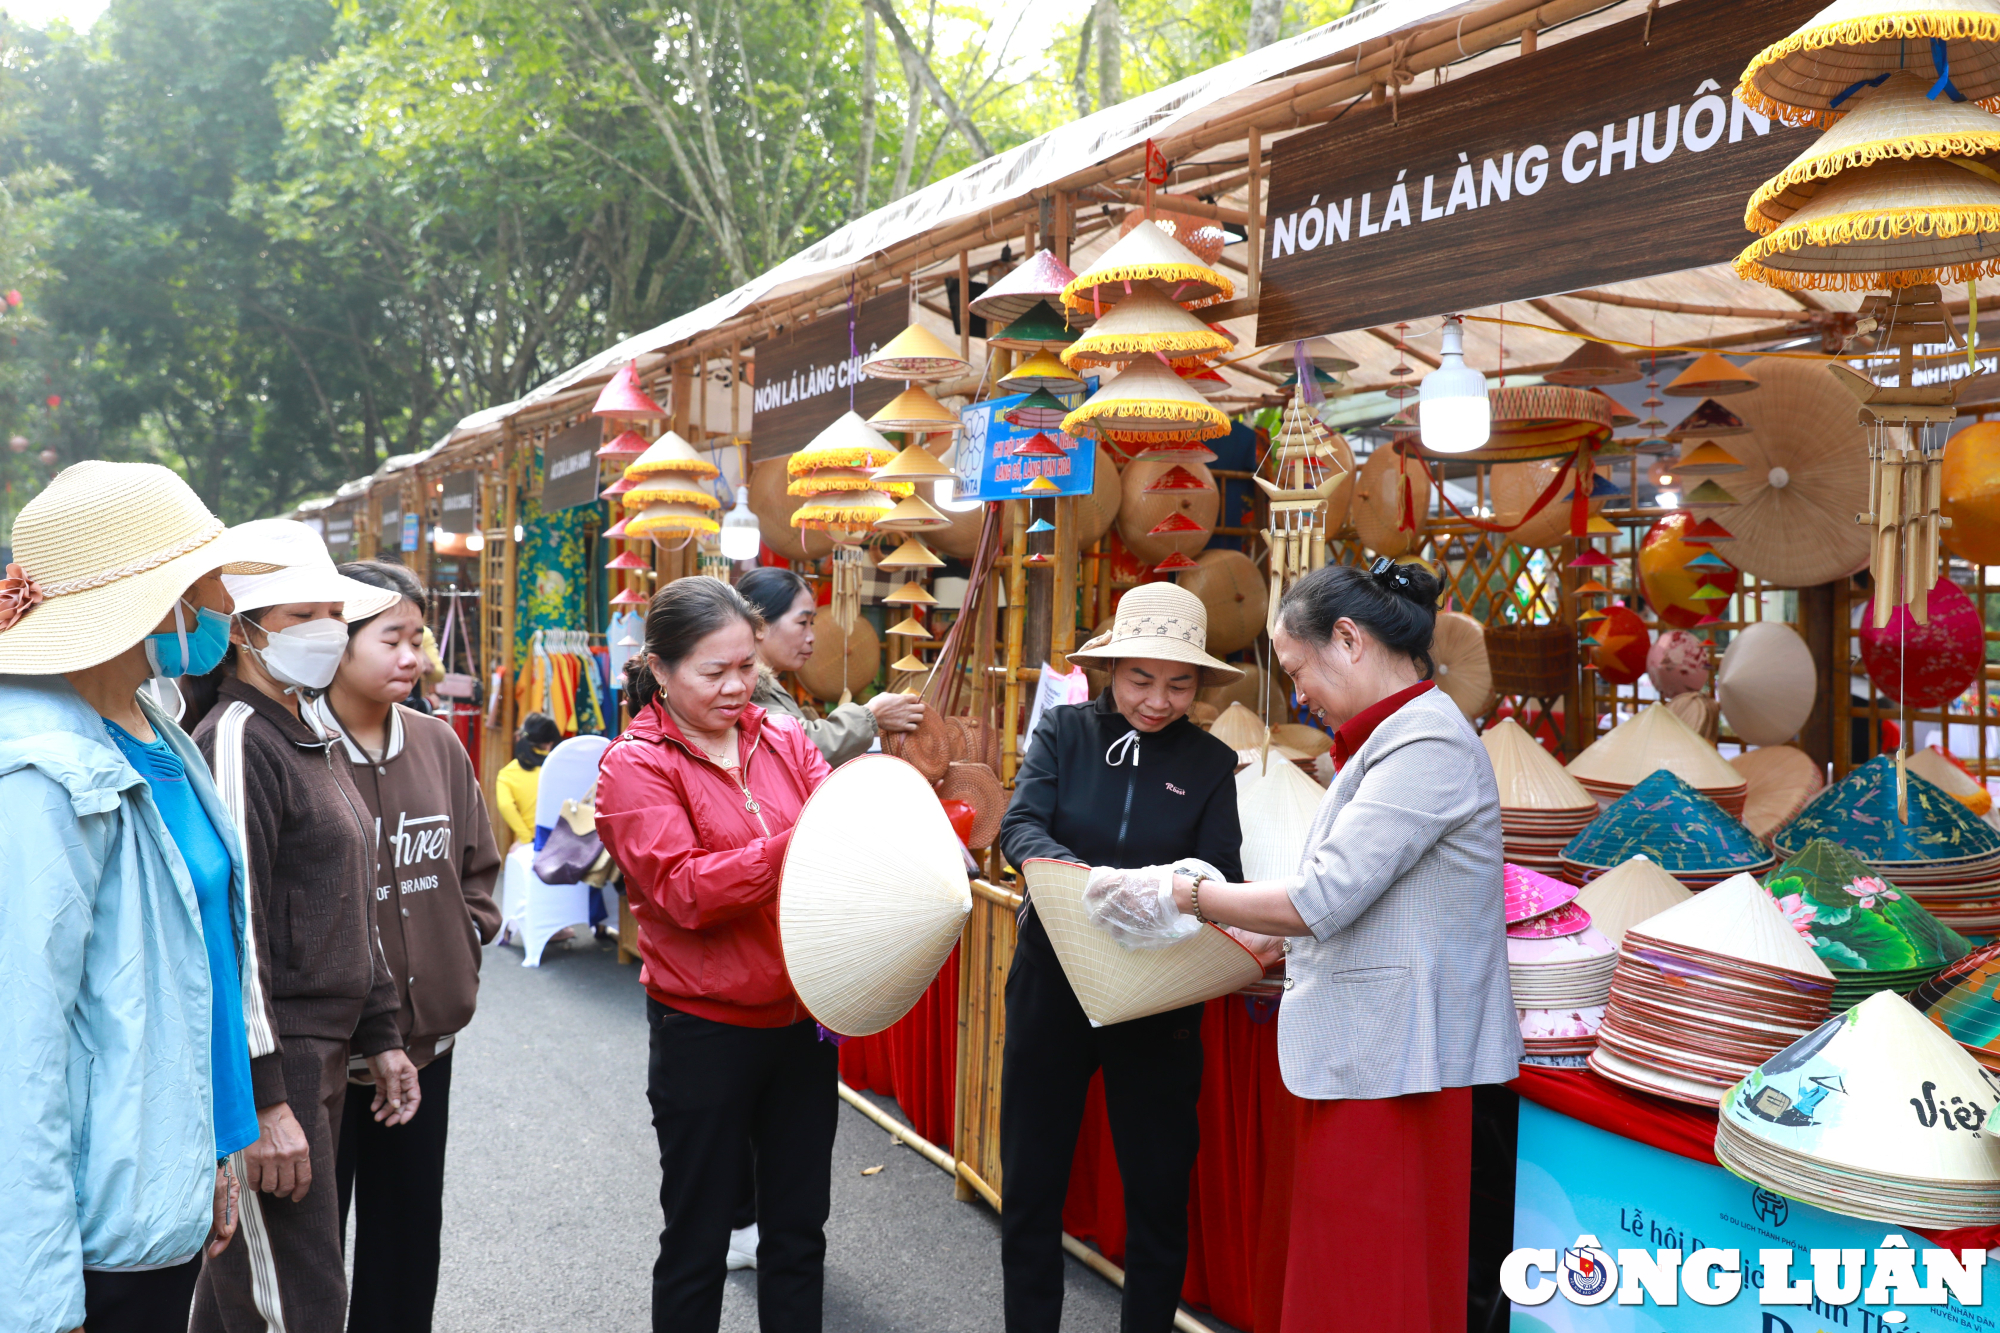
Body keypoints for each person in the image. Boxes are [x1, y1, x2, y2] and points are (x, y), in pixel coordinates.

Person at [1090, 559, 1520, 1333]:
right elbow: (1360, 893)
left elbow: (1323, 894)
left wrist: (1179, 892)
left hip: (1397, 1064)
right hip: (1376, 1053)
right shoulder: (1395, 738)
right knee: (1353, 1276)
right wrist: (1253, 934)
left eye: (1296, 669)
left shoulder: (1423, 743)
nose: (1297, 695)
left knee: (1369, 1285)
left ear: (1348, 639)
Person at [0, 462, 284, 1333]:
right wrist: (40, 1299)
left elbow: (193, 972)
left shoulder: (151, 723)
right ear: (152, 599)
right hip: (91, 1233)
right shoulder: (38, 774)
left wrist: (214, 1155)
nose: (227, 600)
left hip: (166, 1180)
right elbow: (21, 1047)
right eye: (208, 580)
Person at [994, 581, 1260, 1333]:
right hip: (1053, 975)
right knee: (1033, 1181)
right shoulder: (1065, 732)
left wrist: (1163, 893)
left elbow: (1219, 871)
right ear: (1110, 669)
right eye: (1141, 678)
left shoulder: (1211, 762)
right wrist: (1088, 884)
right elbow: (1021, 827)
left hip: (1160, 990)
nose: (1158, 699)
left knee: (1157, 1189)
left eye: (1180, 683)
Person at [190, 519, 424, 1333]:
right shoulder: (239, 735)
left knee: (259, 1298)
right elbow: (235, 930)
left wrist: (382, 1030)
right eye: (302, 616)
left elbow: (350, 896)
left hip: (321, 1052)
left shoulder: (306, 729)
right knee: (294, 1304)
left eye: (335, 610)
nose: (327, 629)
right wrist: (260, 1100)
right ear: (246, 631)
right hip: (278, 1058)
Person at [595, 576, 838, 1333]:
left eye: (746, 666)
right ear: (660, 671)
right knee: (697, 1237)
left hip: (801, 1020)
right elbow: (681, 889)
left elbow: (841, 824)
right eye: (714, 671)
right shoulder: (633, 766)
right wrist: (792, 848)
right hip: (704, 1027)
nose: (737, 686)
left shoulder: (785, 736)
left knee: (798, 1234)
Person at [312, 560, 502, 1333]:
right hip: (323, 1058)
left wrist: (462, 939)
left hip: (426, 1047)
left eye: (417, 638)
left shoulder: (437, 743)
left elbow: (476, 867)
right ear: (338, 643)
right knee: (311, 1253)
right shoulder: (291, 749)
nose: (413, 657)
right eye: (392, 637)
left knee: (407, 1241)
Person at [736, 565, 925, 765]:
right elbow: (800, 749)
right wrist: (871, 715)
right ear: (759, 626)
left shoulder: (758, 683)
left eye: (812, 623)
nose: (811, 637)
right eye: (802, 623)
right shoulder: (743, 686)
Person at [494, 711, 560, 850]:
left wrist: (525, 837)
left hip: (534, 842)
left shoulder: (507, 774)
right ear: (549, 743)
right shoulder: (561, 766)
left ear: (520, 738)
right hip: (562, 840)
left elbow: (505, 806)